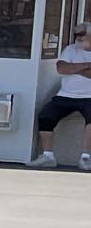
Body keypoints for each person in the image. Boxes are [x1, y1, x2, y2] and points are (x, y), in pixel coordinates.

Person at [32, 20, 91, 169]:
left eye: (83, 35)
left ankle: (86, 157)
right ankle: (47, 156)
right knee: (45, 115)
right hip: (65, 95)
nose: (79, 38)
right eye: (78, 35)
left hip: (89, 97)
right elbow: (61, 68)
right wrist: (87, 65)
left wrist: (74, 68)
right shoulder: (71, 49)